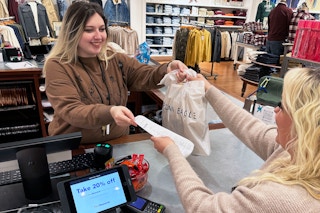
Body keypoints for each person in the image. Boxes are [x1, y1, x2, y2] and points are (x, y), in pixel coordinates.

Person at [151, 68, 320, 212]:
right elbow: (250, 127)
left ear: (303, 123)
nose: (275, 109)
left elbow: (203, 207)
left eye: (282, 106)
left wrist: (172, 151)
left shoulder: (280, 198)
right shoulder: (300, 152)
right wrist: (208, 88)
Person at [43, 1, 188, 144]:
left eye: (101, 29)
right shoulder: (57, 65)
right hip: (76, 147)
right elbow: (72, 110)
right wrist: (110, 112)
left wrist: (167, 69)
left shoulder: (113, 57)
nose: (98, 36)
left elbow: (142, 74)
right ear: (72, 32)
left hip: (119, 143)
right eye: (89, 30)